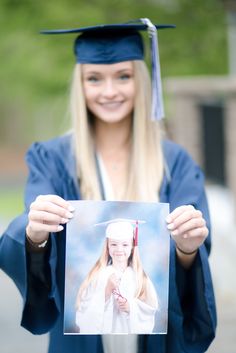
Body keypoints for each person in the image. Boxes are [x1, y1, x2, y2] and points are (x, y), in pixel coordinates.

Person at [0, 18, 216, 353]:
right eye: (94, 78)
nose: (110, 91)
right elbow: (34, 244)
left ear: (141, 82)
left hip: (156, 338)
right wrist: (35, 236)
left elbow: (195, 258)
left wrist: (187, 248)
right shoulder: (52, 159)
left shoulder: (174, 163)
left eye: (124, 76)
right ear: (80, 84)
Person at [75, 219, 158, 334]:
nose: (119, 249)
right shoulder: (99, 276)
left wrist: (131, 308)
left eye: (125, 244)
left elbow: (150, 309)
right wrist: (106, 292)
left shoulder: (140, 278)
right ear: (107, 247)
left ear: (132, 247)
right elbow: (84, 312)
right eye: (114, 244)